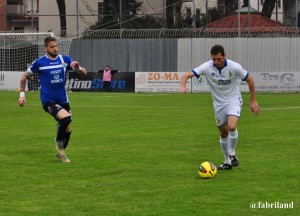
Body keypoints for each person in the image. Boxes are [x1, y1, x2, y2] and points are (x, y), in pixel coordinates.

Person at [179, 44, 260, 170]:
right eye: (214, 59)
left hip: (233, 100)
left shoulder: (234, 67)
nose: (216, 62)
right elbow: (186, 75)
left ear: (224, 56)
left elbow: (250, 80)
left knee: (232, 126)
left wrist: (253, 101)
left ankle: (232, 153)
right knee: (223, 132)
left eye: (219, 59)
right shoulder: (207, 67)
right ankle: (227, 162)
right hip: (218, 104)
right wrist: (182, 86)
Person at [18, 36, 87, 163]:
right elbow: (24, 77)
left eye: (56, 46)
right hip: (48, 100)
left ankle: (61, 151)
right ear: (46, 48)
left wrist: (78, 68)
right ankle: (58, 143)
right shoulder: (39, 62)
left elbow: (84, 73)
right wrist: (22, 96)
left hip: (63, 100)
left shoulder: (64, 59)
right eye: (52, 47)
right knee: (66, 118)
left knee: (68, 128)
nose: (55, 49)